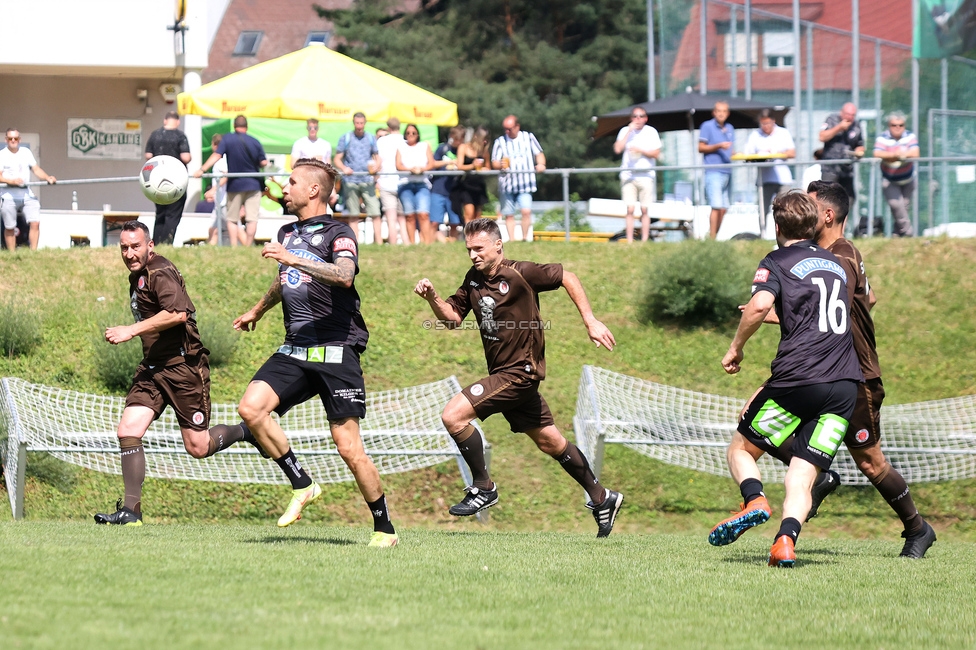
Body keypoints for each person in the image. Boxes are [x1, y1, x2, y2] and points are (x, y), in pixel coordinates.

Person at [414, 217, 624, 537]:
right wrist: (432, 298)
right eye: (469, 249)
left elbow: (568, 276)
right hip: (504, 374)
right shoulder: (473, 279)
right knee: (551, 441)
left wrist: (590, 320)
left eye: (479, 248)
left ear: (498, 245)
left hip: (520, 373)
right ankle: (602, 496)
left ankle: (484, 488)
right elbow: (454, 319)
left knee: (453, 415)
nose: (473, 255)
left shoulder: (520, 272)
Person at [232, 158, 398, 547]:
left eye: (291, 182)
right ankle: (302, 483)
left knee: (348, 447)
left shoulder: (339, 232)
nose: (284, 188)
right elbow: (285, 280)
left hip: (336, 347)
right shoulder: (288, 231)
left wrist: (294, 258)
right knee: (251, 409)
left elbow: (344, 275)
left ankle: (384, 528)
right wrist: (258, 309)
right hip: (296, 347)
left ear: (313, 190)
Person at [710, 191, 863, 567]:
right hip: (844, 384)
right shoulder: (836, 264)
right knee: (803, 471)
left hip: (799, 380)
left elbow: (761, 305)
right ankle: (784, 543)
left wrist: (736, 348)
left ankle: (754, 498)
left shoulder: (775, 261)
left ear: (776, 226)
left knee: (742, 449)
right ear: (813, 225)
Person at [93, 220, 262, 525]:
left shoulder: (160, 272)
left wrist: (130, 331)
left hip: (183, 368)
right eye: (124, 247)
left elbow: (177, 314)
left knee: (198, 447)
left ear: (150, 246)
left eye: (135, 246)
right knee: (128, 431)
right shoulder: (139, 276)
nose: (130, 253)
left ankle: (245, 432)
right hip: (153, 368)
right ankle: (132, 512)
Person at [804, 180, 935, 557]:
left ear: (827, 215)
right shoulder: (838, 252)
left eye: (809, 206)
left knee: (870, 462)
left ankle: (918, 529)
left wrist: (769, 314)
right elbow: (870, 297)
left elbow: (825, 312)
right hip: (830, 371)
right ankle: (816, 481)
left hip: (856, 376)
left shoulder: (839, 257)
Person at [194, 115, 268, 247]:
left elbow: (217, 155)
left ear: (234, 126)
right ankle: (248, 245)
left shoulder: (228, 139)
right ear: (247, 126)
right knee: (252, 219)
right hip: (254, 184)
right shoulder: (255, 141)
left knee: (232, 218)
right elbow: (263, 162)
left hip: (235, 185)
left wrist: (202, 169)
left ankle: (234, 246)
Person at [0, 128, 56, 251]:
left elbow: (36, 169)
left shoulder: (26, 152)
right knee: (10, 227)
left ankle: (33, 253)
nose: (13, 141)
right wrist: (11, 181)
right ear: (6, 140)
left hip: (27, 194)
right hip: (8, 196)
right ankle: (12, 255)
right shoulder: (2, 155)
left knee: (35, 222)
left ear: (19, 140)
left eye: (15, 138)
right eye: (10, 138)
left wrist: (47, 177)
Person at [491, 115, 545, 242]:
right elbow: (494, 162)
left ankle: (525, 238)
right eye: (505, 129)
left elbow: (539, 153)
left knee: (526, 211)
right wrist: (500, 164)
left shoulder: (528, 137)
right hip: (507, 184)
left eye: (509, 129)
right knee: (509, 214)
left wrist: (541, 164)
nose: (507, 132)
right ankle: (512, 240)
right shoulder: (500, 141)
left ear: (517, 127)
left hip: (525, 183)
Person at [613, 107, 662, 243]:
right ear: (631, 118)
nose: (638, 119)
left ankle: (644, 240)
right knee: (630, 209)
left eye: (641, 116)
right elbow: (617, 149)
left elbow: (656, 153)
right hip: (628, 176)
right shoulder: (625, 131)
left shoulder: (651, 132)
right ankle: (630, 240)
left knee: (645, 210)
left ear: (646, 118)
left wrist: (641, 150)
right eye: (635, 116)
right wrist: (629, 131)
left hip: (646, 175)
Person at [144, 111, 191, 245]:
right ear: (178, 122)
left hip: (156, 181)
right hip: (175, 180)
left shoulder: (155, 135)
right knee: (173, 213)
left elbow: (148, 155)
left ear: (165, 120)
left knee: (160, 213)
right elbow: (186, 157)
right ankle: (167, 242)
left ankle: (156, 243)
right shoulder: (180, 136)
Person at [873, 111, 919, 238]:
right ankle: (908, 232)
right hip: (890, 179)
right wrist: (894, 155)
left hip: (908, 179)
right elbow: (877, 153)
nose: (897, 128)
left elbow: (915, 153)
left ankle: (897, 234)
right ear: (889, 125)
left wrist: (901, 155)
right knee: (895, 205)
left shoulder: (910, 136)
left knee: (904, 207)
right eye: (894, 125)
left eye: (901, 125)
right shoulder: (882, 138)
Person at [743, 109, 796, 219]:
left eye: (767, 123)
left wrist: (776, 154)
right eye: (763, 123)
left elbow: (792, 153)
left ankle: (785, 233)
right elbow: (747, 154)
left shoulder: (783, 132)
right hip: (764, 178)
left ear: (773, 121)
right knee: (763, 209)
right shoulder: (755, 135)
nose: (765, 126)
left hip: (782, 178)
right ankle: (762, 232)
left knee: (785, 209)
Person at [819, 102, 865, 225]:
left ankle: (840, 226)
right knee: (828, 198)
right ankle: (825, 227)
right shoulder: (831, 120)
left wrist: (859, 151)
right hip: (830, 167)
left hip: (847, 169)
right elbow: (822, 137)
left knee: (849, 199)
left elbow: (860, 144)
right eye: (848, 114)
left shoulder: (856, 125)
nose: (850, 117)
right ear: (842, 112)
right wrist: (839, 127)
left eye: (853, 115)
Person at [333, 111, 381, 230]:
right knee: (353, 214)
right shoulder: (346, 138)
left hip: (367, 180)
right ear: (354, 123)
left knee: (375, 212)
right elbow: (337, 159)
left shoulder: (370, 138)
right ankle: (356, 242)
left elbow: (377, 157)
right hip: (350, 181)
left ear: (365, 123)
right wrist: (344, 168)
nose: (359, 126)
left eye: (361, 123)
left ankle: (379, 243)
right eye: (357, 123)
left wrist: (377, 166)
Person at [698, 102, 735, 239]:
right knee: (716, 206)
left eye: (724, 111)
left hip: (727, 171)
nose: (721, 113)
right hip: (713, 171)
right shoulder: (707, 126)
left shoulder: (730, 128)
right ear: (714, 112)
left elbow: (731, 150)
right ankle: (712, 239)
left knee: (724, 207)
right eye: (719, 111)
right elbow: (701, 147)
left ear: (728, 113)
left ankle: (712, 236)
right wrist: (718, 146)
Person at [396, 124, 435, 244]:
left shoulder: (424, 146)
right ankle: (412, 243)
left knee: (423, 214)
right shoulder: (401, 147)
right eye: (408, 133)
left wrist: (422, 169)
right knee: (410, 215)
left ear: (417, 134)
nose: (410, 135)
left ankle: (427, 243)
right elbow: (398, 165)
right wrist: (410, 170)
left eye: (413, 133)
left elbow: (431, 163)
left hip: (422, 183)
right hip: (406, 184)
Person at [430, 126, 465, 241]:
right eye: (455, 139)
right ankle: (441, 242)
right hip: (438, 189)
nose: (457, 142)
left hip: (454, 191)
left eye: (459, 139)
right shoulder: (442, 148)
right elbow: (433, 163)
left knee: (455, 222)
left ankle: (452, 242)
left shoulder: (462, 150)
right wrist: (448, 162)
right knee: (434, 222)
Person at [376, 117, 406, 245]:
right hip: (403, 181)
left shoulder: (381, 141)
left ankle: (392, 243)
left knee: (391, 218)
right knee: (403, 218)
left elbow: (378, 161)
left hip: (386, 181)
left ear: (388, 127)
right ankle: (406, 242)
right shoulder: (405, 141)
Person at [452, 126, 491, 225]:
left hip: (479, 185)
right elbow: (459, 166)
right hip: (466, 185)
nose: (485, 142)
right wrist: (472, 166)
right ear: (476, 137)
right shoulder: (464, 147)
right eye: (483, 139)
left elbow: (488, 167)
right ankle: (469, 238)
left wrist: (484, 169)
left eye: (486, 140)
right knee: (469, 213)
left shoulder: (484, 151)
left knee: (478, 216)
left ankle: (476, 238)